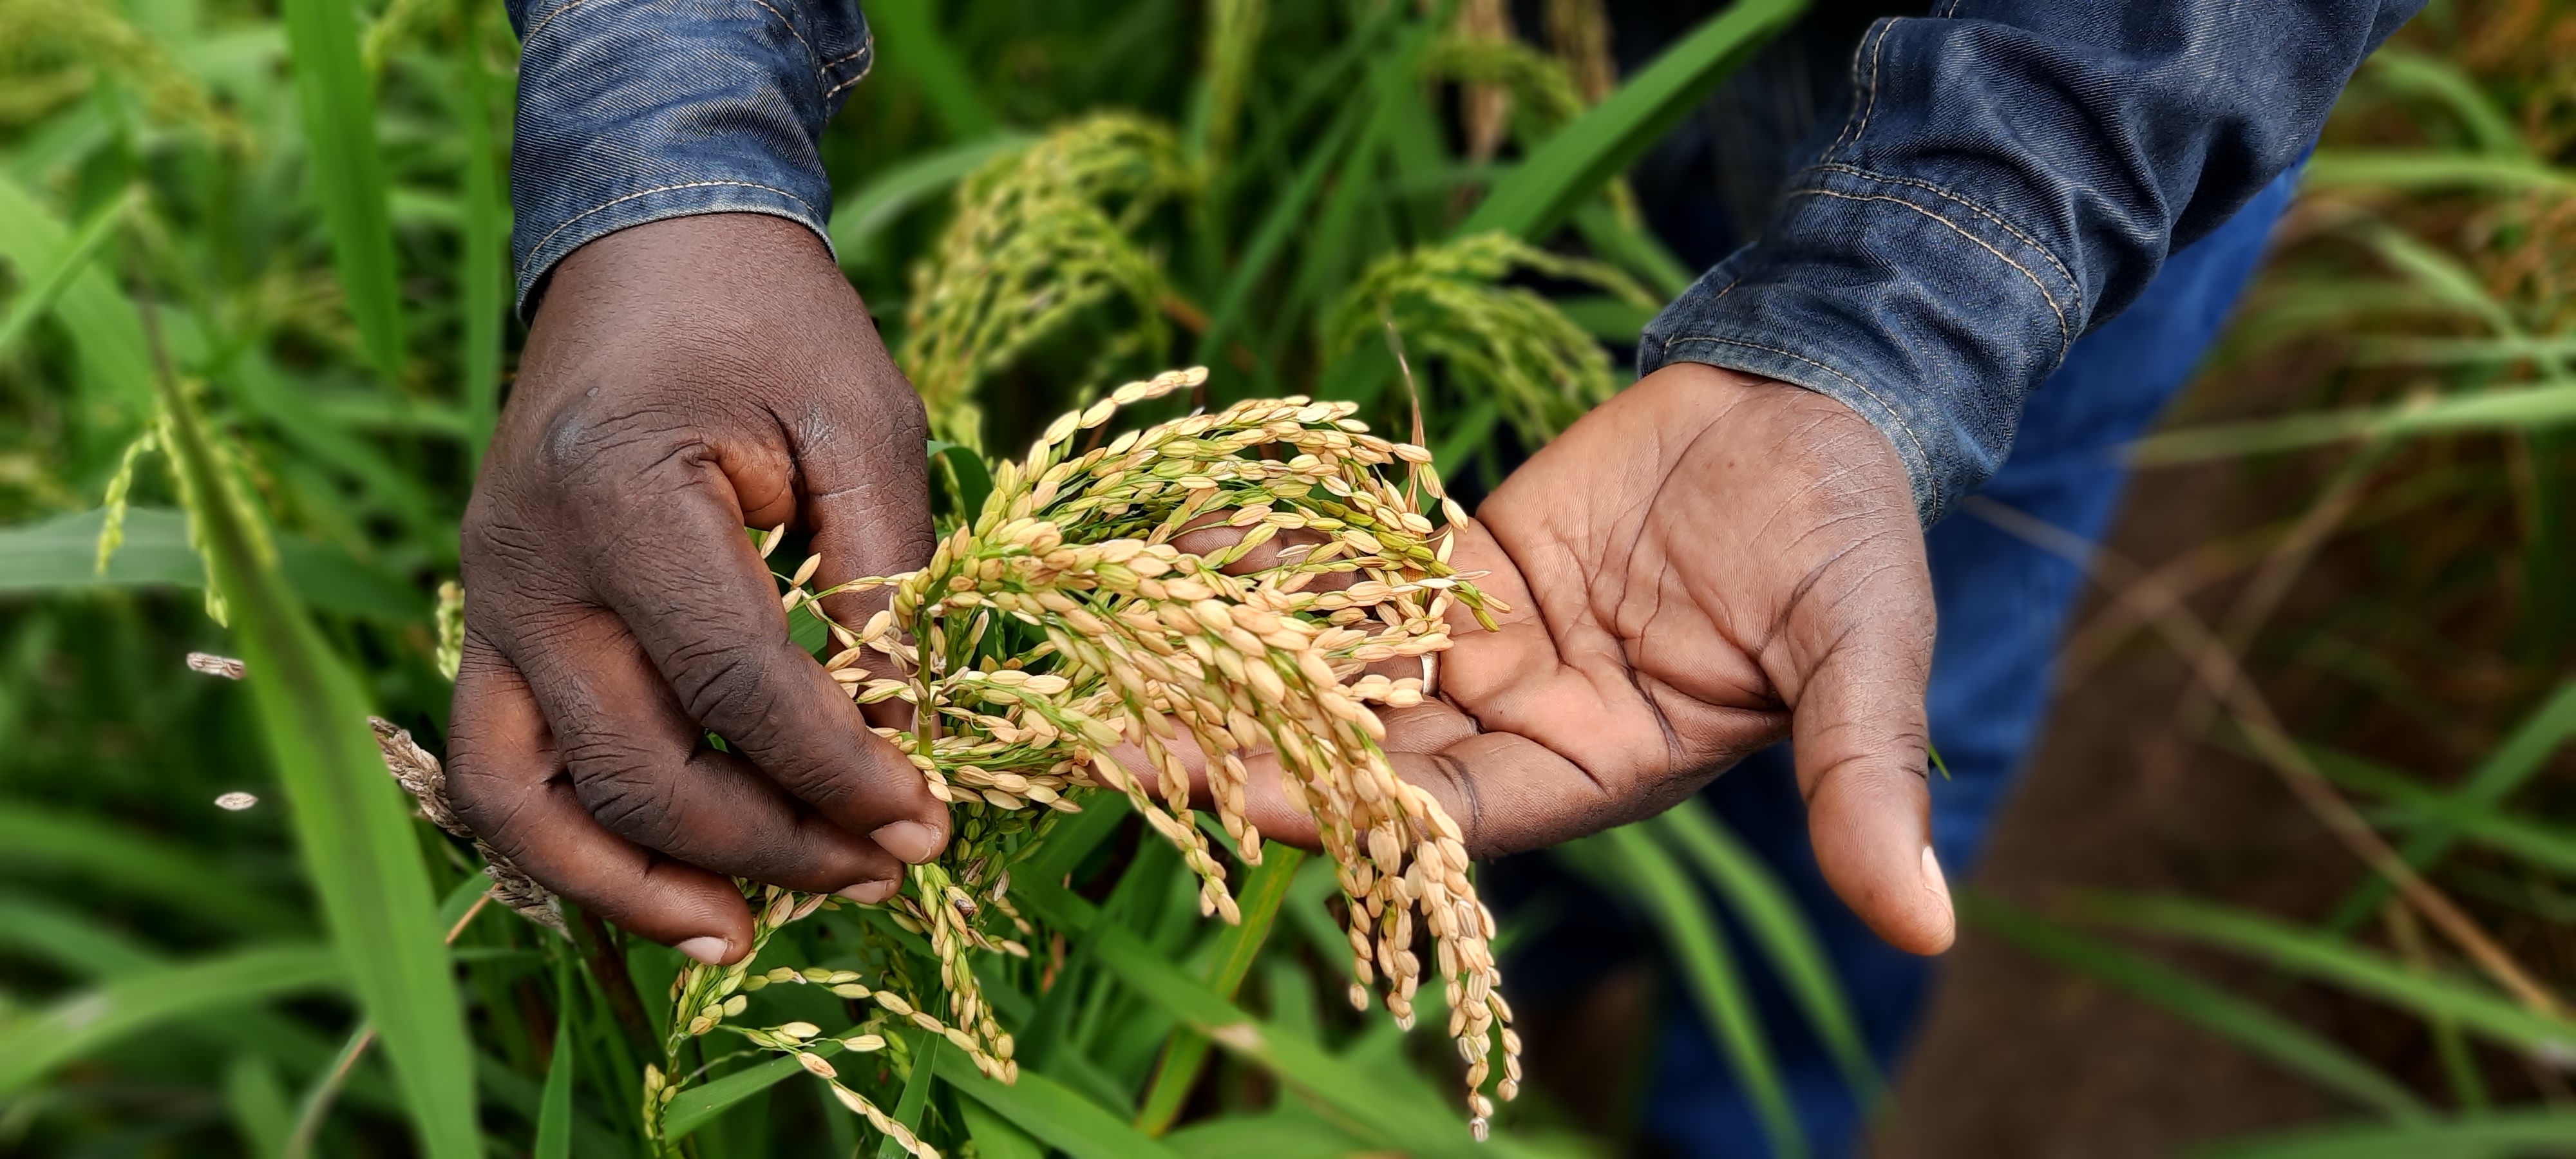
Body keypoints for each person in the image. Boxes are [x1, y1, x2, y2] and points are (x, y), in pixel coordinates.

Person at [444, 0, 2420, 1152]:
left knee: (1908, 692)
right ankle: (1513, 977)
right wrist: (665, 158)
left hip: (2070, 150)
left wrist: (1912, 317)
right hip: (1530, 80)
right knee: (1456, 630)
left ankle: (1756, 1118)